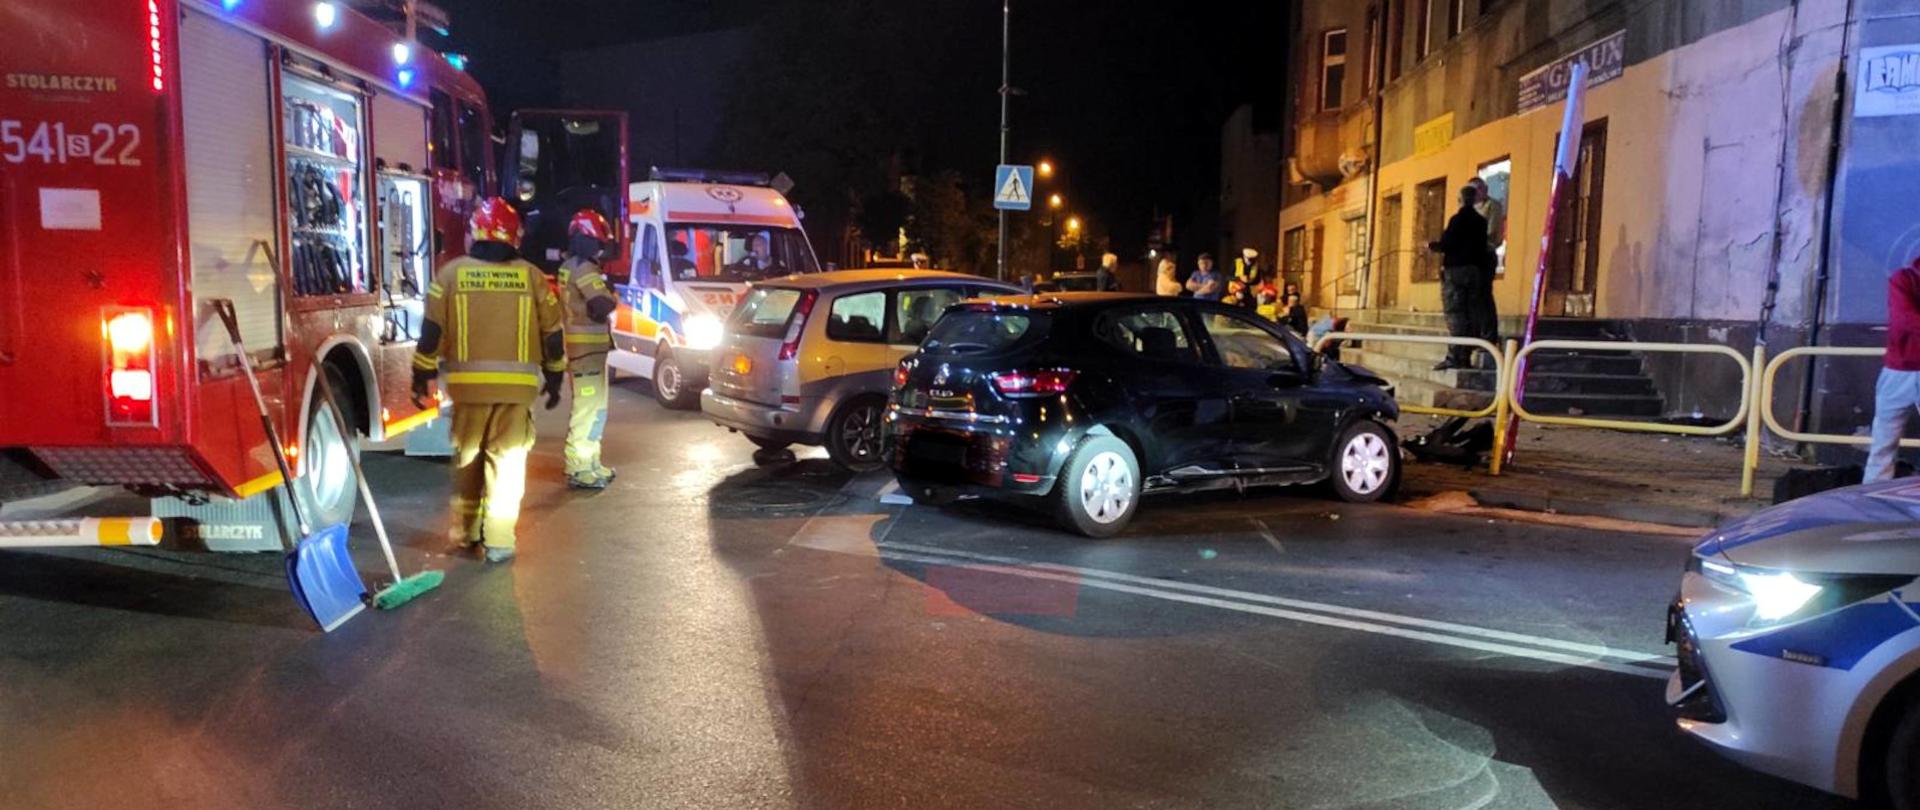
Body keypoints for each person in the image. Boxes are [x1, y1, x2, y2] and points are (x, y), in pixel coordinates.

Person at [412, 197, 566, 564]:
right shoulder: (531, 277)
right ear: (515, 237)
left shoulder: (449, 275)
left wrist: (422, 374)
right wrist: (556, 376)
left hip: (468, 391)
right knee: (507, 463)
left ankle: (465, 534)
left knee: (467, 460)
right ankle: (498, 541)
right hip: (516, 394)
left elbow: (431, 332)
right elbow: (553, 332)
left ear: (475, 233)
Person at [559, 209, 620, 490]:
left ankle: (591, 462)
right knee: (587, 410)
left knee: (596, 410)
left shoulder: (570, 265)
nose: (601, 248)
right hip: (586, 352)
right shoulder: (583, 268)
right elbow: (602, 305)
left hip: (588, 353)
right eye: (598, 242)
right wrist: (612, 293)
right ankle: (579, 467)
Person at [1428, 185, 1494, 371]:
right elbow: (1481, 246)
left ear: (1461, 199)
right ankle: (1465, 354)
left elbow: (1448, 243)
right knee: (1472, 313)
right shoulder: (1480, 221)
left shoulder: (1457, 220)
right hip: (1475, 272)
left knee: (1455, 313)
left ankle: (1455, 356)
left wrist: (1434, 246)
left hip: (1456, 271)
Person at [1867, 256, 1920, 483]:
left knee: (1882, 446)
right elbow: (1905, 319)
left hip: (1897, 369)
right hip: (1897, 372)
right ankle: (1871, 506)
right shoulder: (1904, 278)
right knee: (1882, 445)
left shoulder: (1904, 278)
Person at [1467, 177, 1504, 354]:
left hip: (1485, 255)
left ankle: (1489, 337)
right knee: (1472, 299)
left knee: (1484, 297)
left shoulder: (1492, 206)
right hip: (1470, 258)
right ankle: (1475, 336)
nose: (1475, 194)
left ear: (1484, 189)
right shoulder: (1469, 208)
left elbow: (1491, 232)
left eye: (1477, 190)